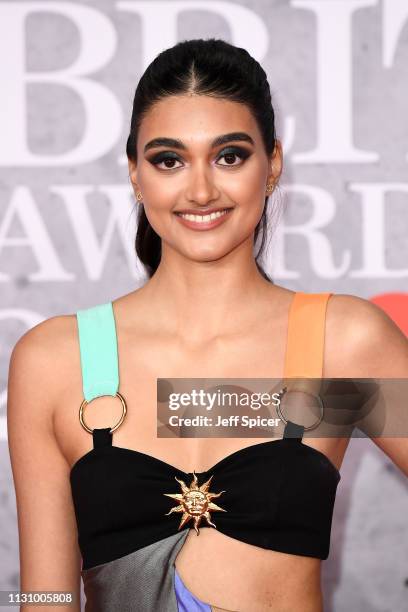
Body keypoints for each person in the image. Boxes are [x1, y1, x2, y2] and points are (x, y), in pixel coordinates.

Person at [7, 38, 408, 612]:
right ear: (135, 174)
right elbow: (45, 595)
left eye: (229, 156)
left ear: (272, 165)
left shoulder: (343, 343)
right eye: (169, 159)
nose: (200, 190)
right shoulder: (54, 359)